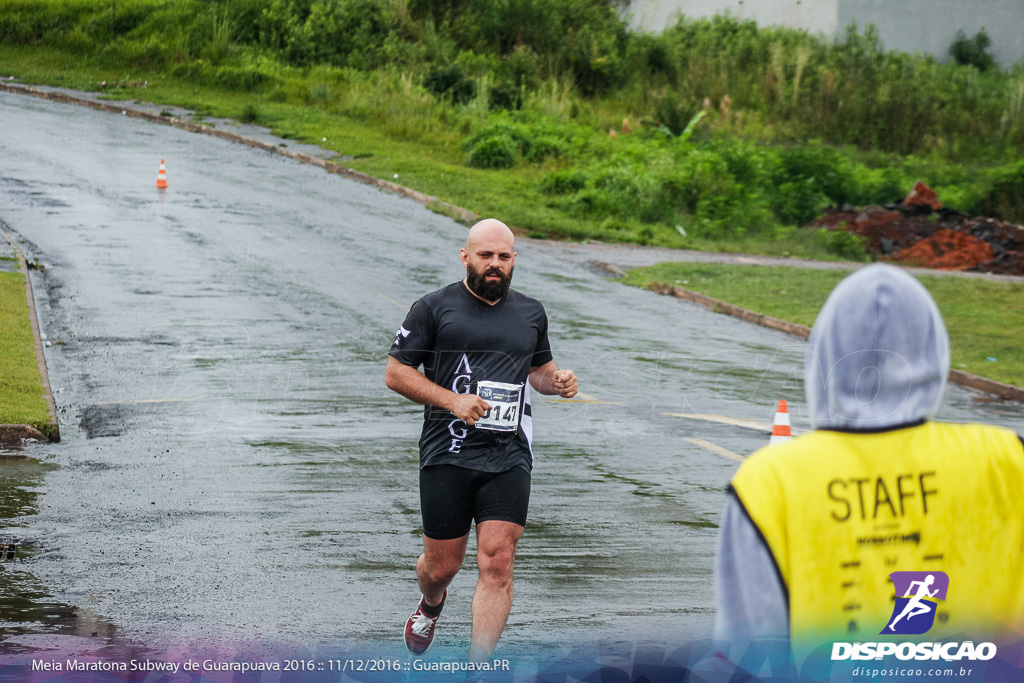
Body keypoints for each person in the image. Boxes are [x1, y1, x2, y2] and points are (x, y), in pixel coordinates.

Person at [714, 264, 1024, 668]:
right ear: (934, 351)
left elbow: (746, 658)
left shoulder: (768, 485)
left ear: (824, 355)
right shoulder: (1007, 460)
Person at [385, 218, 578, 661]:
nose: (494, 264)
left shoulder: (531, 312)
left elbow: (539, 372)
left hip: (508, 453)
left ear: (514, 261)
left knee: (498, 561)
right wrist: (452, 401)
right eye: (486, 255)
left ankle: (478, 668)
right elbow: (396, 373)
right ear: (465, 256)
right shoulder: (433, 308)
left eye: (503, 257)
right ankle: (431, 603)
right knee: (442, 567)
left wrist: (558, 381)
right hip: (447, 451)